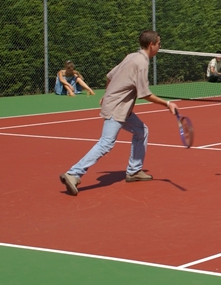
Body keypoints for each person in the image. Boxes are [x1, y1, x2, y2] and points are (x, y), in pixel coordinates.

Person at [59, 30, 178, 196]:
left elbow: (110, 76)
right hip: (117, 107)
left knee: (141, 131)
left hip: (122, 107)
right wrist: (167, 104)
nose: (160, 46)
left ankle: (134, 171)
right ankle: (73, 173)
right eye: (159, 44)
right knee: (106, 143)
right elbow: (144, 94)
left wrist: (107, 94)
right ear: (151, 45)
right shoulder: (141, 63)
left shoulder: (131, 56)